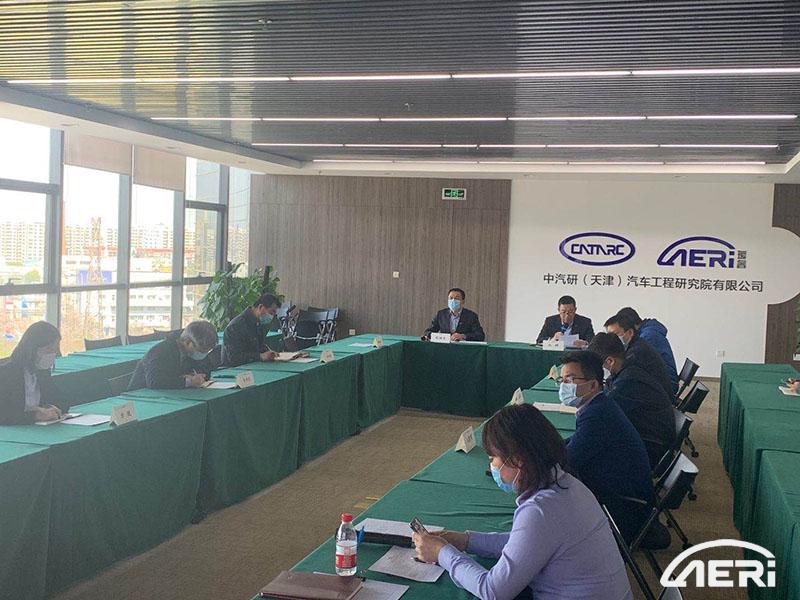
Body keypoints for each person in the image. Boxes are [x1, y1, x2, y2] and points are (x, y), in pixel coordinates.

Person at [411, 403, 632, 600]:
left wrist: (442, 553)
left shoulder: (540, 510)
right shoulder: (568, 484)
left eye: (493, 459)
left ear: (517, 461)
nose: (491, 467)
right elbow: (524, 544)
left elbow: (492, 591)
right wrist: (466, 541)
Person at [559, 351, 663, 545]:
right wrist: (548, 447)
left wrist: (535, 459)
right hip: (623, 494)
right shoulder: (600, 405)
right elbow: (574, 443)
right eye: (562, 380)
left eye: (570, 380)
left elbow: (569, 459)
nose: (564, 386)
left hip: (623, 508)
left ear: (593, 385)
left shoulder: (597, 415)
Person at [588, 333, 675, 468]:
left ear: (610, 361)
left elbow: (602, 414)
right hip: (649, 435)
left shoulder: (628, 381)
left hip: (651, 447)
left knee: (591, 453)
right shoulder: (626, 369)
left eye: (596, 367)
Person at [0, 321, 65, 424]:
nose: (54, 354)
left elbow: (62, 401)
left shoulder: (43, 372)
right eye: (49, 349)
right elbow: (3, 414)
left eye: (55, 349)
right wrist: (34, 415)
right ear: (32, 348)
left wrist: (51, 408)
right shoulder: (7, 373)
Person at [128, 320, 218, 390]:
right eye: (201, 350)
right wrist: (188, 381)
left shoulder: (197, 347)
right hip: (141, 396)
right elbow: (154, 381)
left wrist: (198, 376)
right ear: (187, 342)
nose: (202, 354)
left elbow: (206, 370)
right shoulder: (162, 350)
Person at [604, 312, 674, 398]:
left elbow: (620, 381)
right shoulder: (637, 344)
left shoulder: (636, 352)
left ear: (630, 332)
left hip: (660, 397)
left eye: (615, 335)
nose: (612, 340)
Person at [616, 307, 678, 393]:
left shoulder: (648, 336)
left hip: (667, 385)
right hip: (665, 380)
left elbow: (633, 362)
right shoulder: (649, 331)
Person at [221, 293, 280, 367]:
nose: (272, 317)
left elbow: (259, 346)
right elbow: (234, 358)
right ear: (260, 307)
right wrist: (260, 356)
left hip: (253, 366)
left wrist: (269, 352)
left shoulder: (258, 323)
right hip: (233, 370)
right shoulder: (235, 326)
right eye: (271, 312)